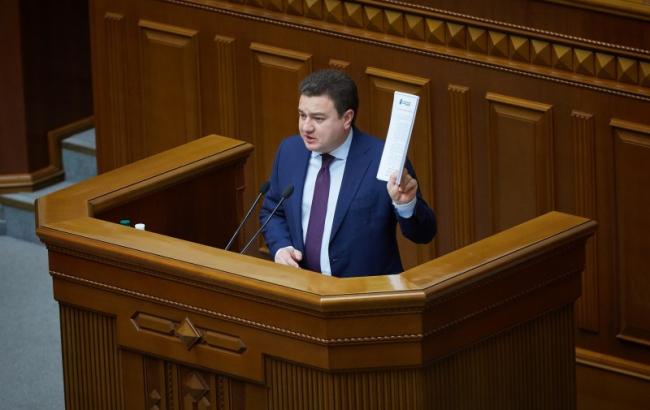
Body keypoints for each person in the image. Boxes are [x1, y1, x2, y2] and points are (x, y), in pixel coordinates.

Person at [260, 69, 436, 277]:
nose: (306, 127)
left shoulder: (383, 160)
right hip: (303, 286)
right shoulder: (290, 151)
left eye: (318, 118)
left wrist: (406, 205)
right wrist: (281, 247)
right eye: (302, 115)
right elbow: (273, 211)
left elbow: (424, 234)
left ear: (347, 118)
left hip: (365, 291)